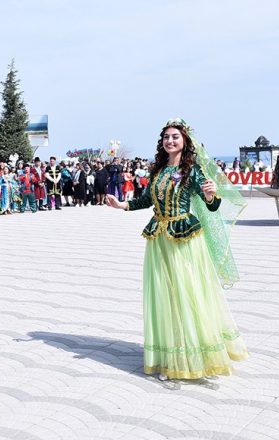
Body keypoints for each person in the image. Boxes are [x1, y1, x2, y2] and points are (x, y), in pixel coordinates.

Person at [106, 118, 248, 381]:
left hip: (184, 239)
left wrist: (210, 194)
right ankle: (171, 358)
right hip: (159, 239)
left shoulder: (192, 170)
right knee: (165, 296)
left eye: (175, 137)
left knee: (186, 294)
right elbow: (146, 200)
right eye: (166, 137)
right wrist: (121, 205)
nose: (169, 141)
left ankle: (195, 355)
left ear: (185, 141)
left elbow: (212, 205)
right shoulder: (158, 170)